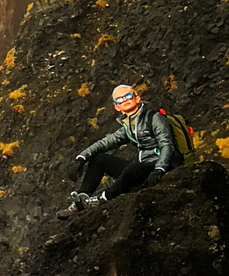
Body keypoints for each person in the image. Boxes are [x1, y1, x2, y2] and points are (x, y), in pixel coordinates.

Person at [57, 84, 180, 219]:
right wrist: (81, 158)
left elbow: (166, 145)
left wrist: (160, 169)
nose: (125, 100)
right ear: (117, 107)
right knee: (99, 159)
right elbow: (104, 143)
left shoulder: (154, 118)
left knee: (134, 167)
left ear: (137, 99)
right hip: (142, 167)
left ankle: (103, 199)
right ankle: (81, 200)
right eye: (120, 99)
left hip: (161, 166)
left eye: (128, 96)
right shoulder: (128, 127)